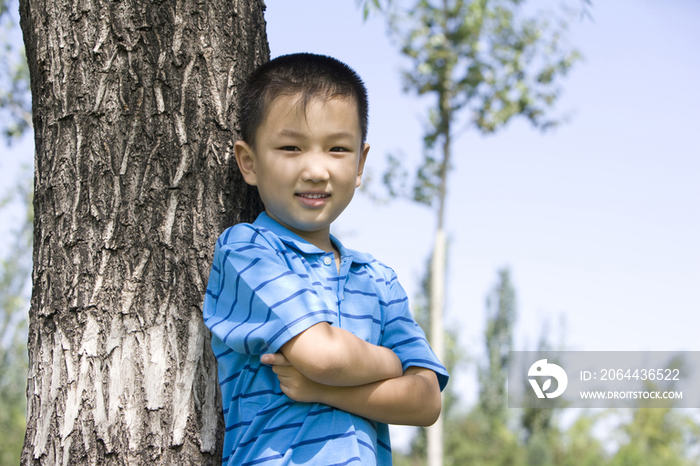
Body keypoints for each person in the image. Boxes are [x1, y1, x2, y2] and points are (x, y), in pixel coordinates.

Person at [203, 53, 449, 466]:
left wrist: (325, 391)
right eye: (290, 147)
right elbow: (323, 356)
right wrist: (391, 362)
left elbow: (425, 402)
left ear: (359, 164)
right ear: (249, 162)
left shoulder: (377, 279)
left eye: (337, 148)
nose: (316, 170)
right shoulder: (247, 250)